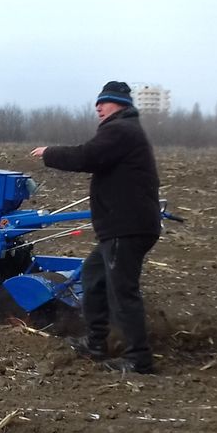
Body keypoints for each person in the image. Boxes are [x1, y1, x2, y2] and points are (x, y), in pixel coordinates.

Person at [30, 81, 162, 374]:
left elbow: (86, 156)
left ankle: (138, 359)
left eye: (104, 102)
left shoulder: (121, 130)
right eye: (97, 102)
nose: (98, 107)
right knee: (92, 276)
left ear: (120, 105)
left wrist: (50, 153)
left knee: (121, 292)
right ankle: (96, 342)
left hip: (126, 227)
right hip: (123, 226)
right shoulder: (125, 130)